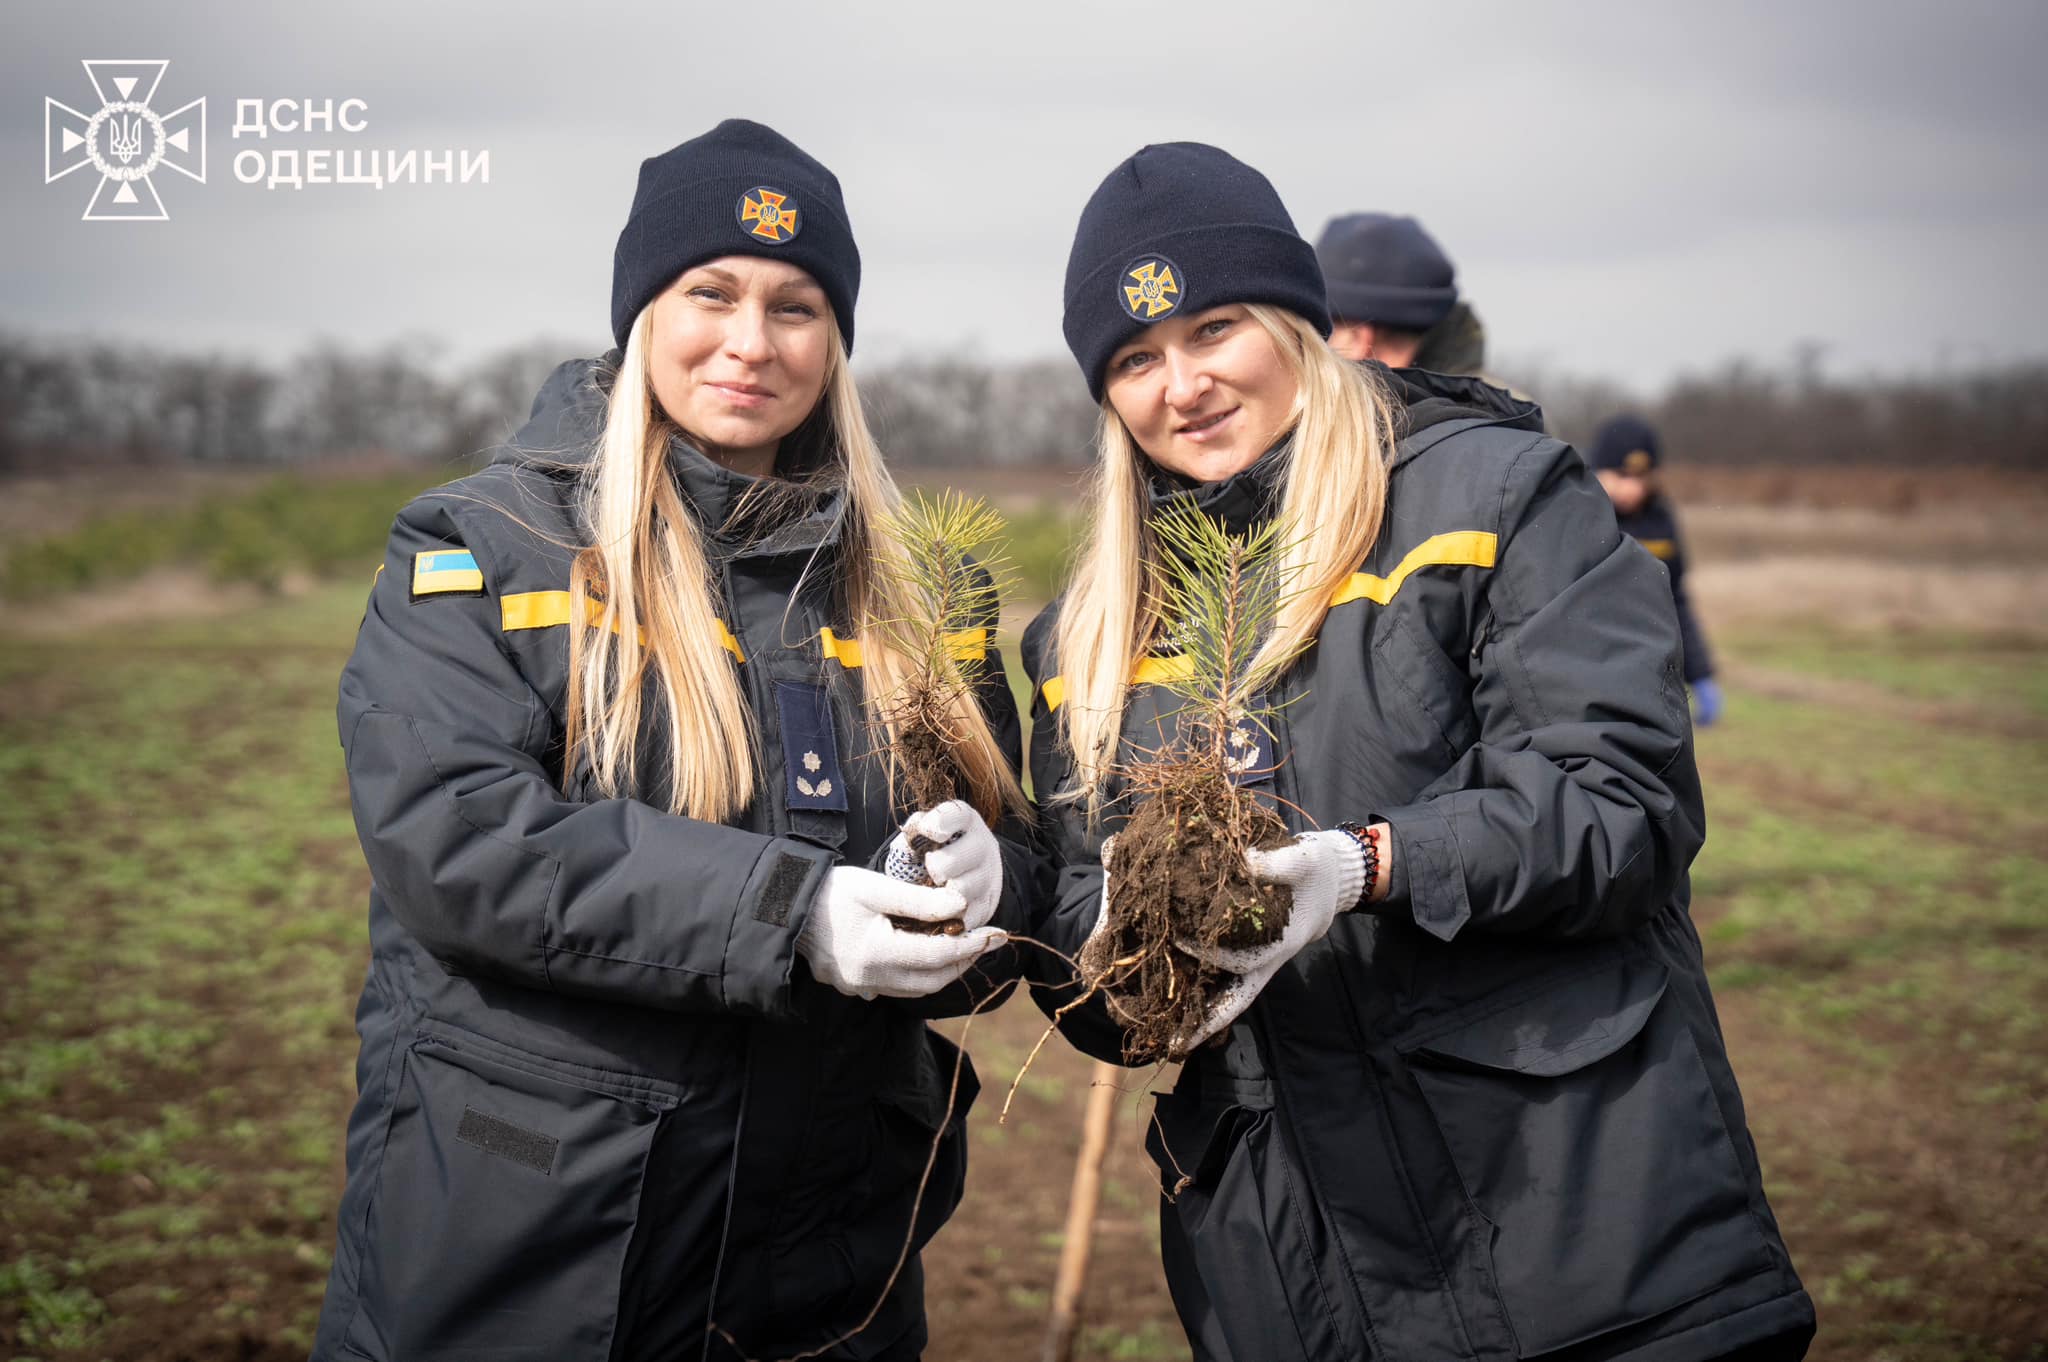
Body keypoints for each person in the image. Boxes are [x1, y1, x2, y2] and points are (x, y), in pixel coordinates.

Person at [1023, 142, 1813, 1361]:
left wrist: (1364, 865)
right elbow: (1081, 914)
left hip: (1579, 1235)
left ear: (1298, 324)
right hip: (1299, 1276)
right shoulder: (1088, 632)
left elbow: (1615, 804)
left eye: (1213, 328)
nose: (1179, 384)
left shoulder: (1492, 500)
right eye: (1133, 359)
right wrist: (1116, 956)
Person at [312, 119, 1041, 1362]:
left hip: (826, 1264)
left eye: (796, 306)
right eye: (711, 293)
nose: (751, 343)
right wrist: (788, 915)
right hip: (545, 1251)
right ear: (642, 308)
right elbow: (459, 837)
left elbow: (1003, 902)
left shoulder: (923, 585)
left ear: (838, 340)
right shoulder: (482, 549)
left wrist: (993, 883)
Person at [1589, 413, 1722, 726]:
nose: (1633, 487)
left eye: (1641, 476)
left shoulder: (1661, 519)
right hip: (1591, 672)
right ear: (1597, 470)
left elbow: (1675, 599)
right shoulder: (1579, 516)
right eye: (1622, 475)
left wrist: (1700, 673)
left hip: (1648, 676)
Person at [1314, 211, 1489, 376]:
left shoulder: (1321, 404)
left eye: (1320, 336)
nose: (1306, 353)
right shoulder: (1501, 404)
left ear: (1358, 339)